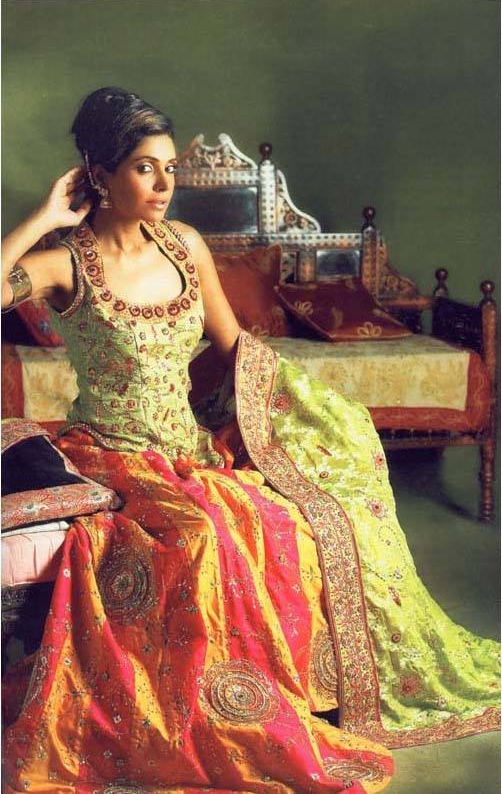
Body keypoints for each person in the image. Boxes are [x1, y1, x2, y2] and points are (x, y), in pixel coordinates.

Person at [1, 87, 498, 794]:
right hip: (113, 455)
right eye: (145, 168)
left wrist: (303, 416)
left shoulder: (185, 246)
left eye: (170, 168)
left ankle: (302, 696)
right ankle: (215, 717)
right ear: (99, 173)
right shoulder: (65, 263)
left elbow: (232, 346)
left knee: (288, 518)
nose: (165, 184)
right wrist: (43, 217)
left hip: (191, 448)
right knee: (201, 535)